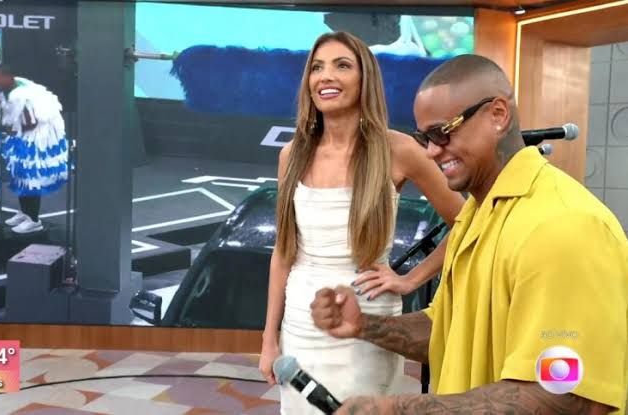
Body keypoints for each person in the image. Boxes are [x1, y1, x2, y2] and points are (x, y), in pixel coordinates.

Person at [310, 54, 628, 414]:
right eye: (424, 138)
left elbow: (567, 395)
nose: (431, 151)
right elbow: (449, 330)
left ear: (498, 115)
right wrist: (365, 325)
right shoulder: (475, 216)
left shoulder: (564, 226)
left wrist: (400, 409)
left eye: (442, 132)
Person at [258, 31, 465, 414]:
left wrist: (411, 279)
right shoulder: (292, 154)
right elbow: (283, 254)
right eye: (317, 68)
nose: (326, 76)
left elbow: (468, 221)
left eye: (342, 65)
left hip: (368, 323)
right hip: (301, 322)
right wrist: (269, 338)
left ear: (364, 78)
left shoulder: (397, 149)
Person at [0, 65, 69, 233]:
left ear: (7, 77)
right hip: (24, 137)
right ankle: (25, 213)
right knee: (21, 177)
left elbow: (31, 122)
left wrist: (10, 130)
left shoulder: (21, 96)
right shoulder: (12, 88)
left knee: (30, 180)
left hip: (34, 139)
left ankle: (34, 220)